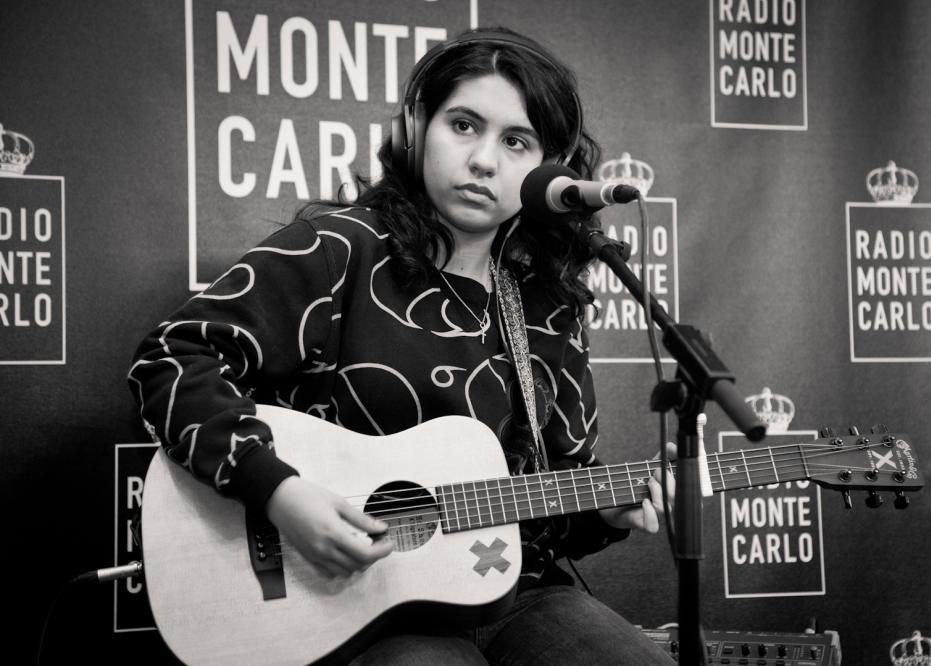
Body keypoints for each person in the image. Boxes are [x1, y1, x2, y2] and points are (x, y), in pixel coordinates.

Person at [128, 26, 674, 665]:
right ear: (416, 127)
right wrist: (278, 491)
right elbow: (172, 359)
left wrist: (604, 514)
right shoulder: (338, 251)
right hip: (349, 602)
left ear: (547, 169)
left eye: (516, 141)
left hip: (512, 590)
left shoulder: (548, 306)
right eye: (463, 125)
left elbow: (546, 500)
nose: (484, 160)